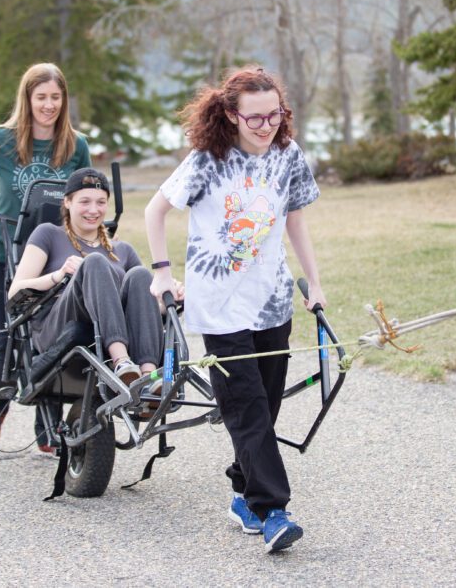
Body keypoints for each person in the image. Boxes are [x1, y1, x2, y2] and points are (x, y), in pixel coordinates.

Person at [144, 66, 326, 553]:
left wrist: (315, 282)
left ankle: (242, 491)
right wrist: (161, 272)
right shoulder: (208, 159)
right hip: (219, 307)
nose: (267, 126)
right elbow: (154, 211)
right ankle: (272, 510)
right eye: (256, 118)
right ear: (230, 114)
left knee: (265, 405)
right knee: (245, 409)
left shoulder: (288, 156)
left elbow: (295, 220)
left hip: (272, 301)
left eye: (275, 115)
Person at [0, 63, 91, 452]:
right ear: (27, 99)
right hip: (4, 254)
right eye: (41, 97)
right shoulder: (1, 140)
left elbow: (87, 196)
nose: (48, 105)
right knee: (7, 339)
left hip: (55, 255)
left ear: (64, 100)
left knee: (48, 342)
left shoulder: (75, 145)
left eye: (55, 97)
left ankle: (45, 428)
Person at [8, 168, 167, 400]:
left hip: (114, 327)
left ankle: (147, 377)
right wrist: (59, 274)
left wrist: (168, 296)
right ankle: (121, 362)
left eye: (101, 202)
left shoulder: (122, 250)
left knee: (141, 275)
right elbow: (15, 291)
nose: (94, 210)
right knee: (93, 262)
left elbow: (147, 305)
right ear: (68, 202)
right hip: (62, 326)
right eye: (85, 202)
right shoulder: (48, 234)